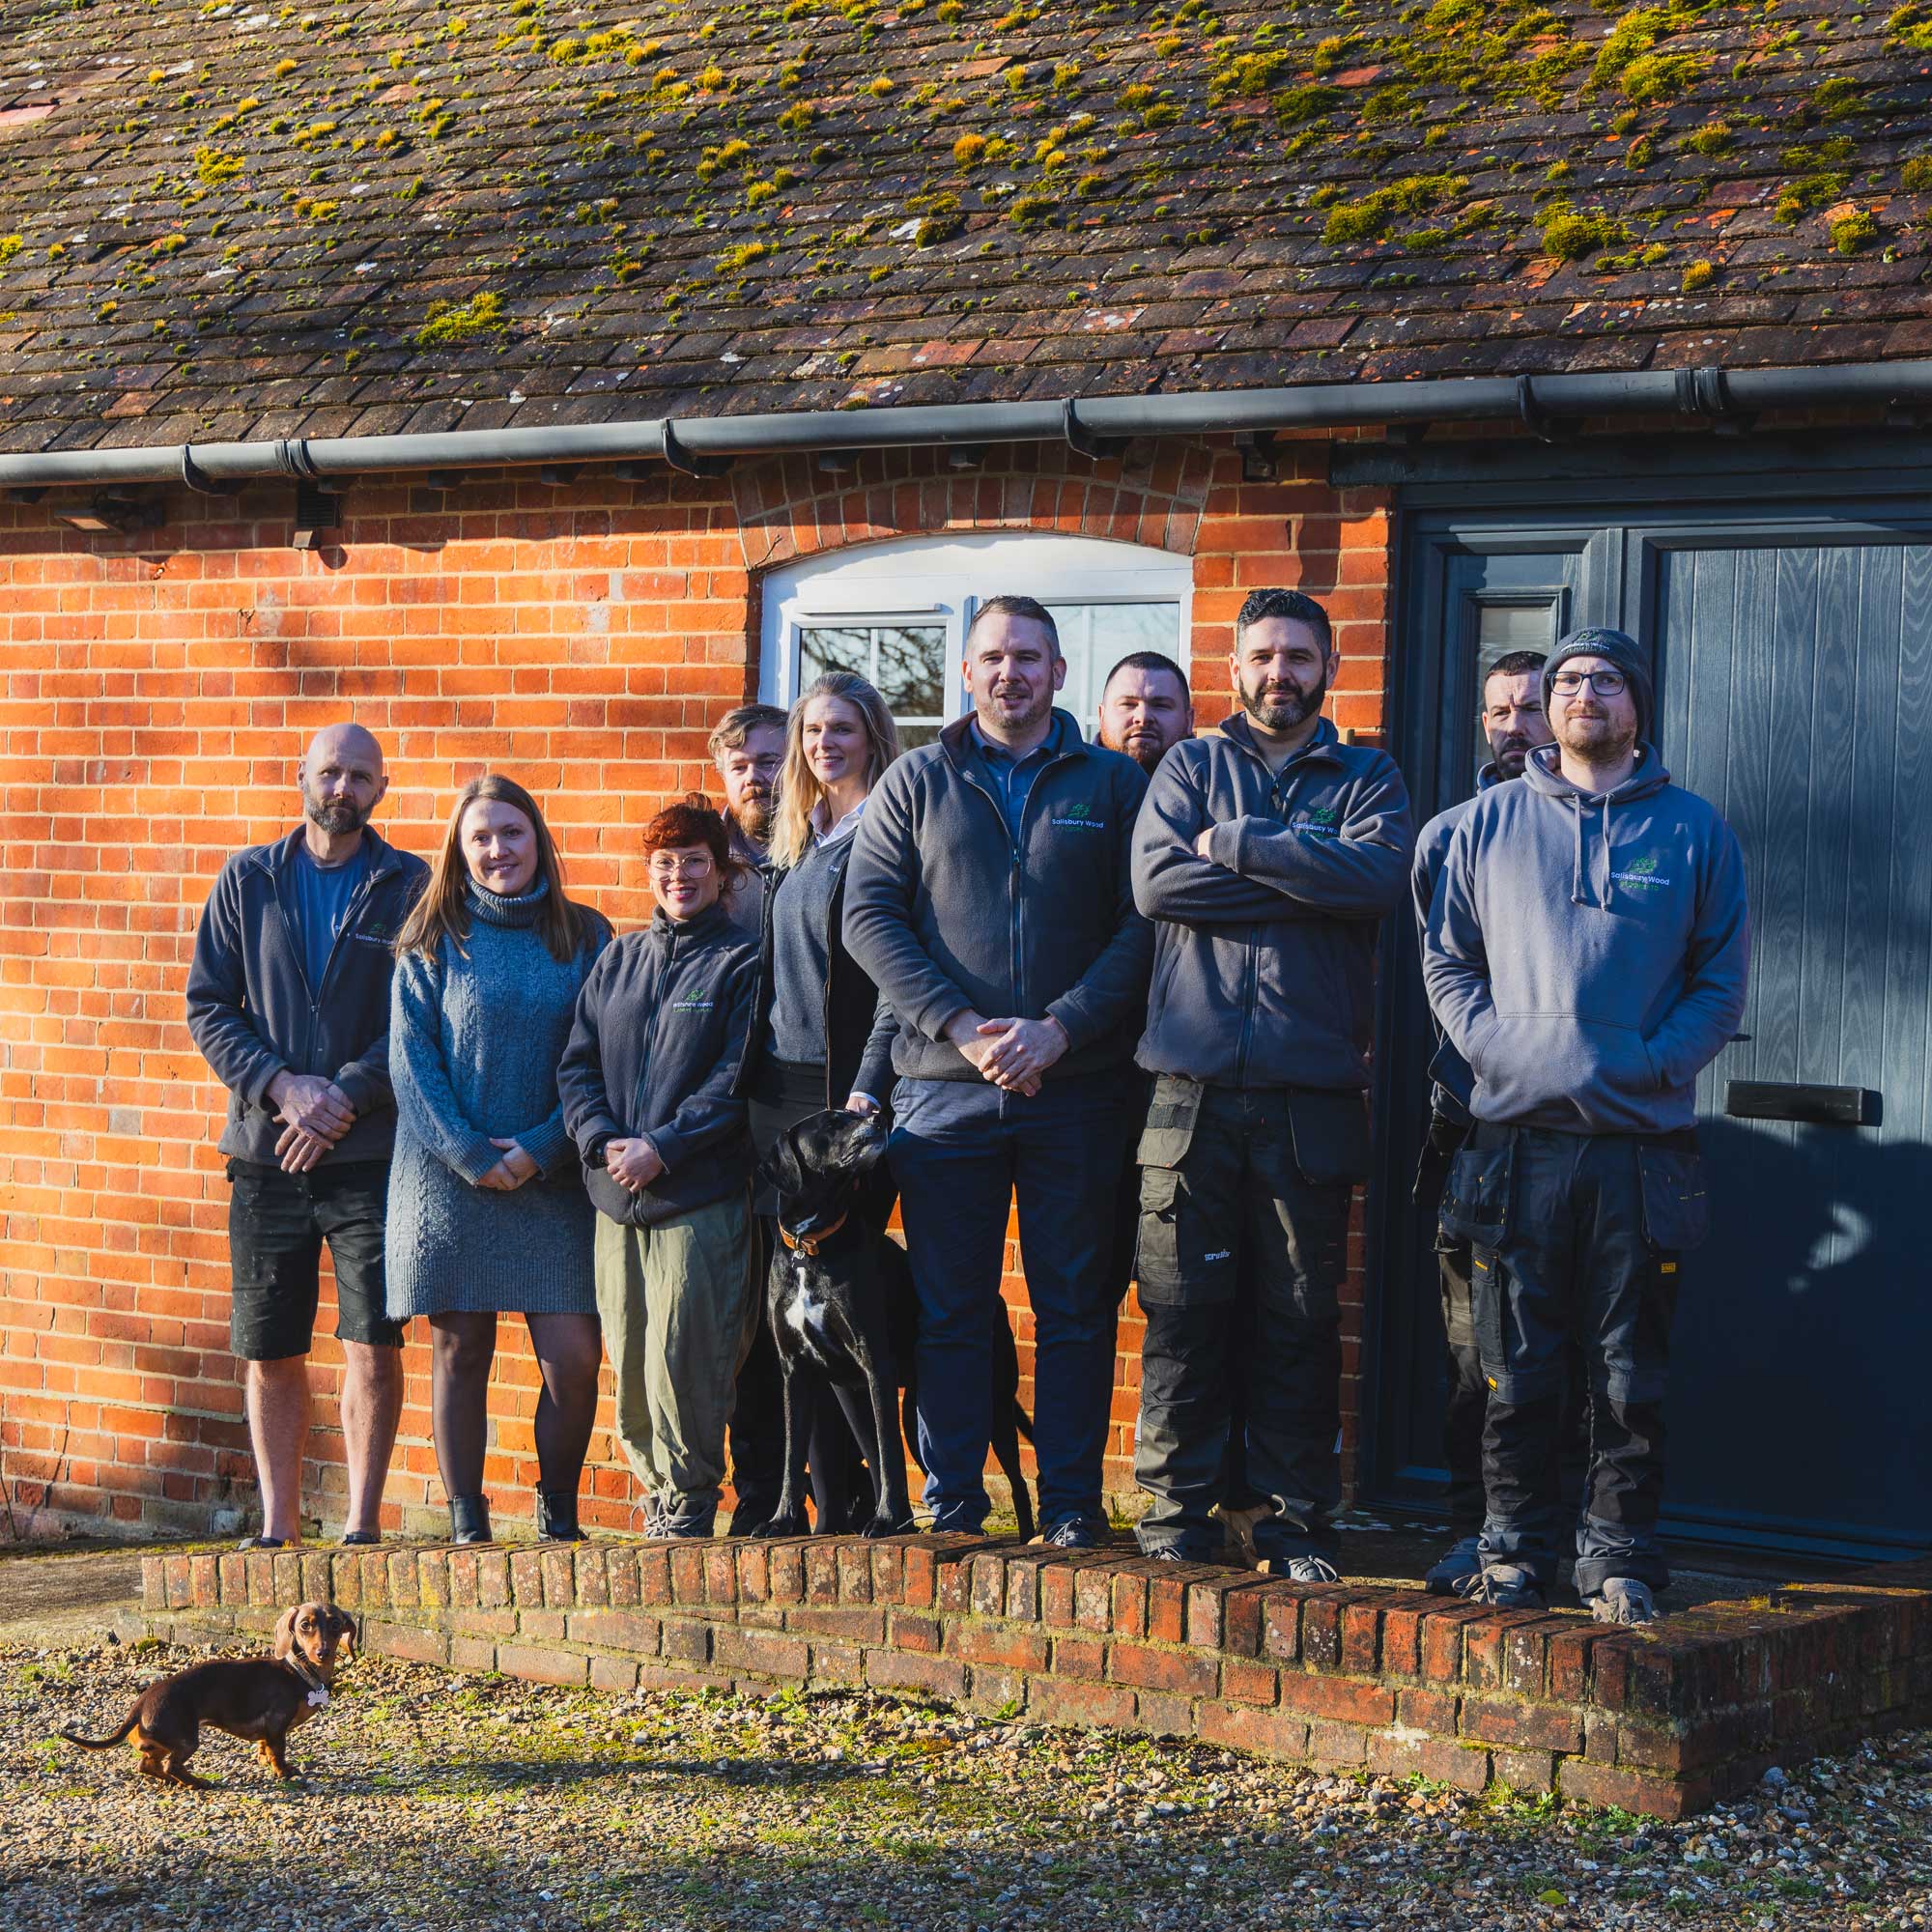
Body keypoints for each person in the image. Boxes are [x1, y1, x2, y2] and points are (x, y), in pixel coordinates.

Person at [1423, 627, 1749, 1624]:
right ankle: (1511, 1547)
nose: (1582, 696)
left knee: (1625, 1371)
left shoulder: (1695, 832)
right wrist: (1502, 1052)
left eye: (1605, 681)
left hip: (1636, 1151)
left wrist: (1643, 1064)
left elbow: (1717, 984)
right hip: (1512, 1146)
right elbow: (1447, 965)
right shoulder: (1481, 826)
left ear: (1634, 706)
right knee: (1511, 1366)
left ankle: (1617, 1556)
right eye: (1567, 681)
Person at [844, 594, 1153, 1547]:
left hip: (1077, 1092)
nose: (1009, 671)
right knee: (949, 1312)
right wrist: (962, 1024)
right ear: (965, 674)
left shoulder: (1110, 784)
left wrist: (1060, 1028)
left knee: (1072, 1307)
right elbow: (868, 917)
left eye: (1028, 656)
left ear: (1058, 673)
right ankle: (955, 1502)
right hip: (942, 1094)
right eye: (991, 657)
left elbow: (1144, 924)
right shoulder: (913, 783)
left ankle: (1066, 1501)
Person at [1130, 588, 1414, 1577]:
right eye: (1261, 654)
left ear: (1327, 666)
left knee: (1299, 1315)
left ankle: (1296, 1518)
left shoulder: (1367, 774)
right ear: (1235, 664)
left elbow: (1376, 883)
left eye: (1297, 654)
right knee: (1180, 1308)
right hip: (1190, 1093)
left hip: (1309, 1095)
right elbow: (1158, 884)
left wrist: (1239, 845)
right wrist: (1309, 879)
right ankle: (1174, 1512)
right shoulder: (1188, 763)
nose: (1278, 671)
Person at [185, 723, 428, 1549]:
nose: (342, 788)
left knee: (372, 1339)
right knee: (270, 1345)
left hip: (368, 1156)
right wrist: (285, 1087)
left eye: (360, 775)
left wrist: (343, 1098)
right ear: (302, 776)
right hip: (265, 1153)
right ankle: (278, 1526)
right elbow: (209, 1005)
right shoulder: (247, 879)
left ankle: (362, 1526)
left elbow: (420, 1018)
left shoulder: (410, 884)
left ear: (380, 789)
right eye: (330, 771)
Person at [384, 776, 611, 1547]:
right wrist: (473, 1155)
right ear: (459, 849)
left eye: (511, 833)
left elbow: (602, 1053)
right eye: (479, 837)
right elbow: (412, 1064)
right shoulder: (431, 935)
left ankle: (557, 1513)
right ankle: (466, 1523)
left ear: (537, 838)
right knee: (460, 1348)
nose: (496, 850)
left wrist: (545, 1147)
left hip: (555, 1174)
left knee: (574, 1357)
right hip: (452, 1178)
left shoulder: (586, 935)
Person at [559, 799, 760, 1540]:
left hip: (696, 1195)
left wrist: (664, 1147)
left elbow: (735, 1080)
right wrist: (603, 1140)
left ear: (722, 871)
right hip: (617, 1197)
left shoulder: (740, 961)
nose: (680, 876)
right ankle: (655, 1496)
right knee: (632, 1358)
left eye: (696, 862)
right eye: (666, 863)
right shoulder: (618, 959)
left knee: (688, 1357)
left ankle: (691, 1500)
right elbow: (577, 1063)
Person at [743, 671, 904, 1531]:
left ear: (874, 735)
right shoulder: (798, 839)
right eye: (811, 732)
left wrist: (870, 1086)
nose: (825, 744)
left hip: (845, 1094)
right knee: (782, 1313)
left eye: (842, 728)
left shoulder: (883, 831)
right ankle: (791, 1499)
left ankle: (858, 1499)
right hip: (779, 1094)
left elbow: (888, 981)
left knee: (849, 1320)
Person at [1408, 650, 1553, 1594]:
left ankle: (1562, 1536)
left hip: (1585, 1135)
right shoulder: (1446, 836)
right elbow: (1446, 976)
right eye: (1495, 709)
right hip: (1472, 1131)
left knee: (1569, 1356)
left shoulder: (1617, 831)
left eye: (1528, 707)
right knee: (1474, 1355)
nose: (1510, 725)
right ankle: (1475, 1530)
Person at [708, 701, 789, 1528]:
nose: (758, 775)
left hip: (805, 1109)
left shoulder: (822, 845)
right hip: (721, 1121)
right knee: (749, 1323)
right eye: (742, 763)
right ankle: (760, 1490)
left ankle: (834, 1488)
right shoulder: (704, 862)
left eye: (772, 758)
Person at [710, 703, 788, 937]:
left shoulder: (826, 849)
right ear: (723, 776)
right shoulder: (703, 859)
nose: (752, 777)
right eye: (739, 767)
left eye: (767, 763)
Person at [1096, 650, 1195, 779]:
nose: (1142, 717)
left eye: (1161, 705)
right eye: (1127, 704)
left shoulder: (1217, 787)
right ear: (1101, 716)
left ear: (1189, 720)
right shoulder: (1068, 785)